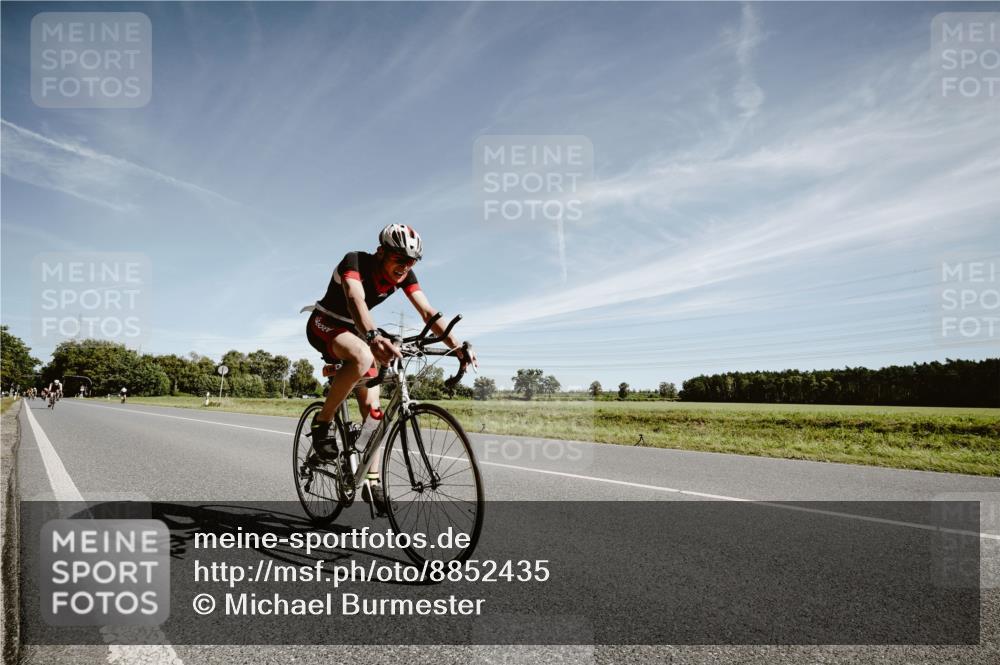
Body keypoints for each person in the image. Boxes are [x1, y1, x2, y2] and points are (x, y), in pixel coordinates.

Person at [304, 224, 477, 512]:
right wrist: (372, 336)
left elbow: (428, 312)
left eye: (411, 262)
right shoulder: (355, 261)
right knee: (362, 354)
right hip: (325, 323)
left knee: (374, 414)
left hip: (357, 331)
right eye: (399, 258)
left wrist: (456, 346)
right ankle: (323, 422)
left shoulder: (405, 274)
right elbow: (354, 298)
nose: (405, 266)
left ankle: (371, 482)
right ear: (381, 252)